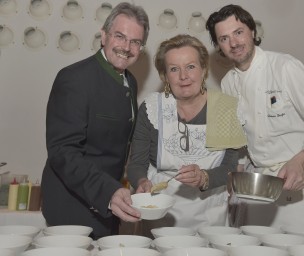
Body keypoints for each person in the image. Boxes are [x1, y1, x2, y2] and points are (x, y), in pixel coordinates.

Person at [206, 4, 304, 228]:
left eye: (238, 33)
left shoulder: (285, 67)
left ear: (252, 31)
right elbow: (239, 139)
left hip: (301, 179)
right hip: (259, 184)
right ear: (219, 46)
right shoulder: (227, 82)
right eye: (224, 38)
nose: (234, 43)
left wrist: (300, 162)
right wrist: (235, 171)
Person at [41, 2, 149, 239]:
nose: (126, 47)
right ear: (103, 35)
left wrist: (134, 181)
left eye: (135, 42)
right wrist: (108, 191)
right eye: (119, 36)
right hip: (72, 205)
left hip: (108, 204)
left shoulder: (130, 82)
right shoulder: (74, 78)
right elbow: (62, 152)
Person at [126, 34, 246, 237]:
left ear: (203, 70)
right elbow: (136, 163)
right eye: (174, 69)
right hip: (160, 213)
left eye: (190, 66)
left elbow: (230, 167)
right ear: (165, 75)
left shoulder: (225, 108)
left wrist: (204, 177)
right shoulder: (153, 108)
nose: (183, 76)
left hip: (210, 214)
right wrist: (140, 182)